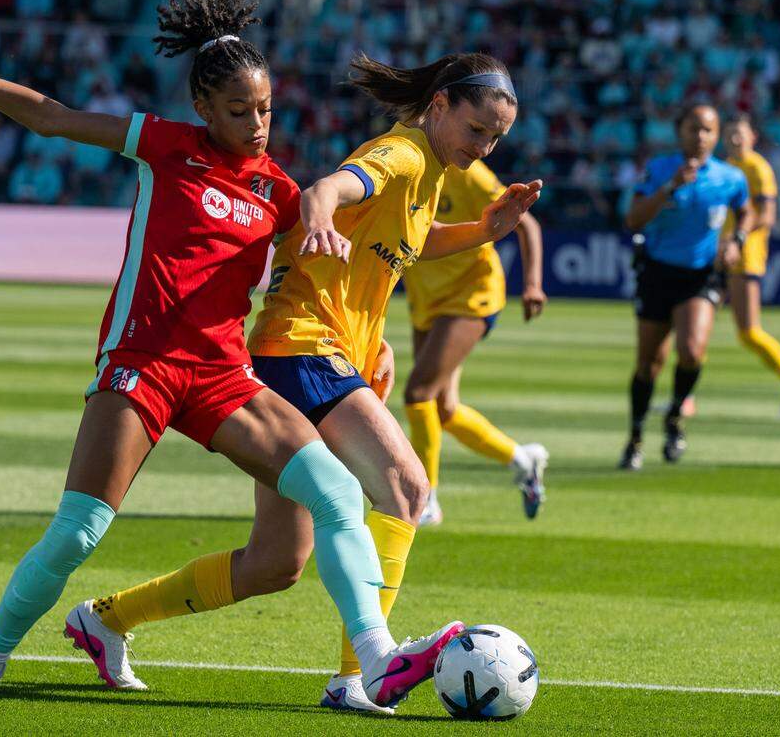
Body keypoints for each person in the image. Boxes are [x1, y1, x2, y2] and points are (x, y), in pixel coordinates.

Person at [0, 0, 464, 707]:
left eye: (266, 110)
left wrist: (373, 336)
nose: (257, 125)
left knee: (340, 492)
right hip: (142, 365)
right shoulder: (164, 145)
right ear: (202, 107)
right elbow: (50, 116)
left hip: (224, 374)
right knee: (78, 531)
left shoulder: (278, 189)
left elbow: (352, 247)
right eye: (239, 111)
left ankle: (374, 663)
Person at [76, 51, 541, 714]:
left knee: (275, 562)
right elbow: (333, 188)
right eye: (477, 130)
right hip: (305, 350)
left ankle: (107, 617)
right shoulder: (404, 154)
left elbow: (412, 239)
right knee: (406, 488)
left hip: (309, 356)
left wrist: (482, 231)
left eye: (496, 138)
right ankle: (360, 674)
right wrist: (319, 214)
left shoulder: (432, 171)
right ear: (439, 106)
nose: (484, 146)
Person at [401, 158, 548, 527]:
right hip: (426, 298)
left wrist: (531, 284)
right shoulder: (402, 165)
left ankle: (426, 500)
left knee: (419, 393)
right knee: (444, 409)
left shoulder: (470, 175)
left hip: (471, 294)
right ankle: (523, 460)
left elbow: (525, 223)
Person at [619, 104, 752, 470]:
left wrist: (737, 239)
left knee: (692, 351)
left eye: (708, 130)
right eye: (694, 129)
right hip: (658, 272)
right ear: (680, 132)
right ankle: (634, 436)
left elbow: (745, 209)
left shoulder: (729, 177)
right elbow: (634, 218)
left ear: (717, 134)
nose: (700, 137)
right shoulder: (661, 169)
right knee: (649, 365)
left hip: (701, 275)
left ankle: (676, 415)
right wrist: (671, 187)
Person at [722, 113, 780, 417]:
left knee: (749, 331)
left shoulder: (757, 168)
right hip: (718, 255)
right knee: (694, 324)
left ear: (753, 137)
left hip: (745, 256)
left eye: (739, 133)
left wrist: (738, 239)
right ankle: (685, 397)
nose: (734, 139)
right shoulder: (727, 168)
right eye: (729, 133)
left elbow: (767, 216)